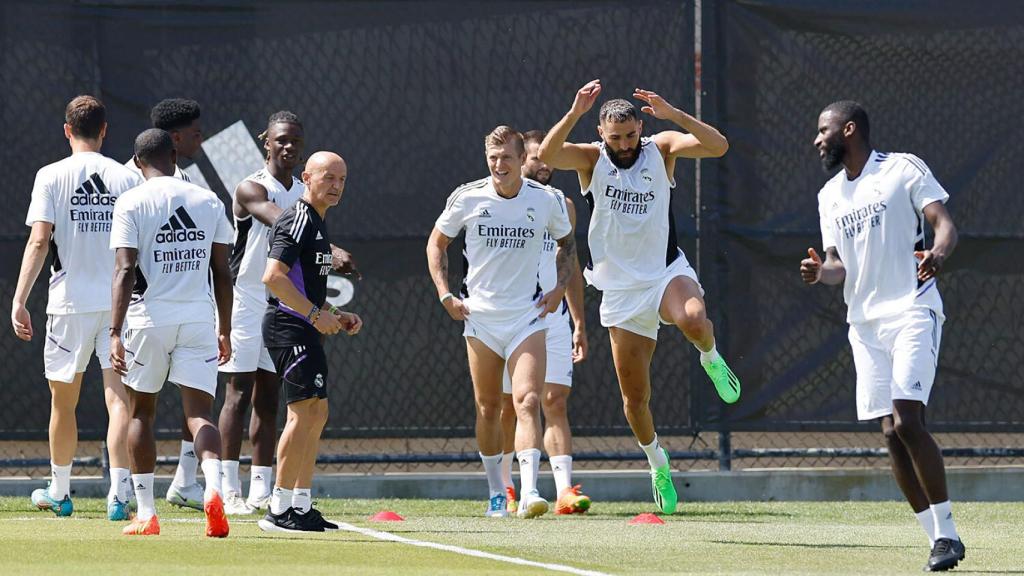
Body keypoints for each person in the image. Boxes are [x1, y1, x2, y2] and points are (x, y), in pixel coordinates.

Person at [538, 80, 736, 515]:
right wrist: (574, 111)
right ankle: (657, 463)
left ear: (640, 126)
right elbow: (548, 155)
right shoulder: (591, 160)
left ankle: (710, 357)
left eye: (630, 135)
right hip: (621, 292)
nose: (624, 144)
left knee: (694, 320)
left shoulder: (660, 148)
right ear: (603, 134)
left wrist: (676, 114)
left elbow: (718, 146)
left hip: (665, 273)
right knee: (635, 400)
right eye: (616, 137)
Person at [800, 101, 964, 572]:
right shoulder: (829, 195)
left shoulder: (901, 169)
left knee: (909, 420)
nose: (817, 139)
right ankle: (938, 539)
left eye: (824, 130)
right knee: (891, 434)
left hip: (913, 309)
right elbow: (837, 266)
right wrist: (819, 272)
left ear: (848, 130)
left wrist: (937, 252)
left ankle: (947, 533)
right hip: (865, 325)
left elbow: (944, 223)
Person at [427, 126, 577, 519]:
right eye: (493, 158)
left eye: (506, 158)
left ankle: (530, 492)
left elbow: (567, 242)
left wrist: (560, 287)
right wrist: (445, 293)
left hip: (528, 317)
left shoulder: (545, 200)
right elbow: (436, 243)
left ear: (520, 160)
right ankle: (498, 490)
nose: (499, 165)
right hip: (481, 319)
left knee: (529, 400)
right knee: (489, 407)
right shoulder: (467, 197)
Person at [219, 112, 361, 515]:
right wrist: (329, 250)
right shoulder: (254, 187)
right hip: (249, 298)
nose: (288, 146)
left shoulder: (307, 192)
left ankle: (265, 488)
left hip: (289, 302)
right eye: (281, 139)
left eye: (295, 140)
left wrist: (329, 307)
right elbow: (280, 221)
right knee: (238, 392)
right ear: (267, 142)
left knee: (271, 398)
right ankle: (229, 487)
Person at [12, 95, 141, 520]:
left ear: (67, 130)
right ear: (104, 131)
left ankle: (61, 491)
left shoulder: (50, 176)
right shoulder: (126, 178)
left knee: (62, 403)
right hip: (117, 307)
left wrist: (19, 300)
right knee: (118, 399)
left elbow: (38, 240)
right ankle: (119, 497)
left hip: (67, 306)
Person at [109, 128, 234, 537]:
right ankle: (214, 487)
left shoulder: (130, 201)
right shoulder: (208, 199)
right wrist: (225, 329)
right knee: (200, 415)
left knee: (142, 411)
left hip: (148, 321)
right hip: (200, 319)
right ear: (174, 157)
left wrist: (114, 332)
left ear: (138, 160)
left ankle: (146, 514)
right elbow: (222, 273)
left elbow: (125, 270)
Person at [258, 151, 362, 533]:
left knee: (317, 413)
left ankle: (301, 506)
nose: (335, 186)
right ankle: (278, 508)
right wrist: (315, 315)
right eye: (328, 177)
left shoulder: (317, 222)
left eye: (342, 179)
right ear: (307, 177)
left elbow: (304, 285)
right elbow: (274, 277)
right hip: (288, 326)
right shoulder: (298, 218)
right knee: (302, 414)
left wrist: (333, 313)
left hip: (303, 325)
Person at [497, 130, 590, 515]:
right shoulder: (496, 200)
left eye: (548, 158)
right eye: (536, 157)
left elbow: (570, 266)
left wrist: (580, 323)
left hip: (553, 318)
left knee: (554, 400)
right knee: (511, 405)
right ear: (520, 160)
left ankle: (565, 491)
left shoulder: (562, 205)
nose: (545, 164)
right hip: (510, 318)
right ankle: (506, 486)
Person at [125, 98, 205, 510]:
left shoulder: (192, 185)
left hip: (166, 311)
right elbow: (121, 263)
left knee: (170, 405)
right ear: (174, 141)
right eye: (194, 133)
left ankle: (184, 483)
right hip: (133, 307)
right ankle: (123, 489)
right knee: (134, 404)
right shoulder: (129, 182)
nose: (201, 138)